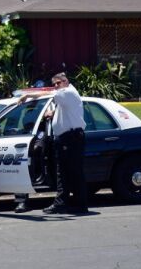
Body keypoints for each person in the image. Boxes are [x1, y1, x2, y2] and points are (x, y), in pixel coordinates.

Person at [17, 72, 88, 214]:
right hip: (67, 138)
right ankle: (72, 204)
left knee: (68, 173)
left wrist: (27, 95)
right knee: (67, 173)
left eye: (58, 83)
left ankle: (66, 204)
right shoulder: (66, 94)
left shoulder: (67, 92)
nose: (56, 86)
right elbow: (63, 107)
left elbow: (48, 94)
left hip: (70, 138)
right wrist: (53, 112)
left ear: (65, 81)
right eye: (54, 84)